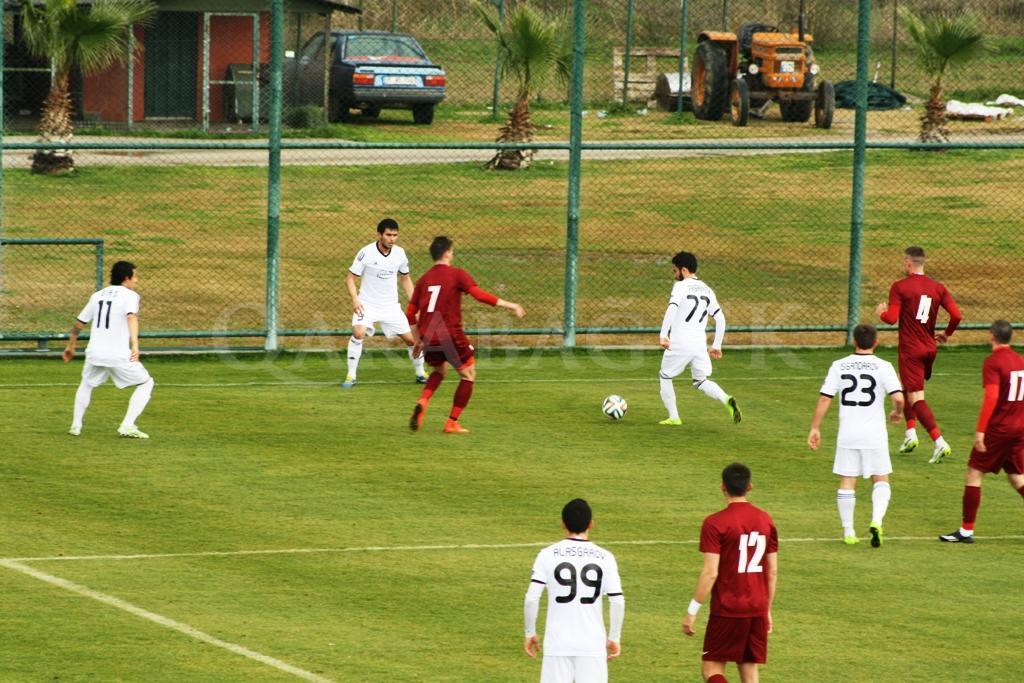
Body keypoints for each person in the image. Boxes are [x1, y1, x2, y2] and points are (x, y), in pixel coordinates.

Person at [406, 236, 524, 434]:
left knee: (439, 371)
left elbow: (410, 313)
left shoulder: (423, 280)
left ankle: (423, 400)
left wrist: (418, 340)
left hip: (429, 336)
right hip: (450, 335)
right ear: (447, 253)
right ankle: (451, 422)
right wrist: (510, 305)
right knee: (468, 375)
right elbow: (479, 295)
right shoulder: (456, 274)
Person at [808, 324, 904, 547]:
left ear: (854, 342)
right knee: (880, 478)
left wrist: (815, 427)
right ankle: (876, 521)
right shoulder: (884, 366)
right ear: (876, 342)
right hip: (874, 434)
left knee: (847, 480)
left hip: (848, 433)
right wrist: (897, 412)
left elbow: (825, 397)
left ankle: (849, 532)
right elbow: (899, 398)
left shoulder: (839, 365)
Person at [682, 463, 777, 683]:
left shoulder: (715, 523)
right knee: (749, 669)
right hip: (757, 607)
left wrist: (692, 611)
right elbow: (772, 571)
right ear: (750, 487)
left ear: (722, 486)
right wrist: (767, 609)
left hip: (728, 608)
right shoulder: (766, 520)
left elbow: (710, 572)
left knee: (711, 668)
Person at [939, 320, 1024, 544]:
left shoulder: (993, 362)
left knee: (974, 473)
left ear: (991, 335)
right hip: (1019, 429)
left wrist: (980, 431)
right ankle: (966, 530)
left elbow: (991, 397)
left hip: (999, 429)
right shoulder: (1020, 360)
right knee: (1017, 478)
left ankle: (966, 530)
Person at [875, 246, 962, 463]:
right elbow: (957, 316)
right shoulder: (938, 287)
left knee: (916, 399)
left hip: (911, 350)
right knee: (905, 385)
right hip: (929, 348)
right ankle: (910, 434)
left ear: (908, 264)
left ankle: (939, 442)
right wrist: (947, 334)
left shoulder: (900, 287)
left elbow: (891, 318)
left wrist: (881, 313)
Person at [524, 498, 625, 683]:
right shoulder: (606, 558)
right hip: (592, 644)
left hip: (557, 642)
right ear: (591, 523)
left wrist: (530, 632)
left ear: (563, 523)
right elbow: (617, 600)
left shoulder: (547, 554)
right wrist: (614, 637)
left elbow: (532, 598)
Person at [62, 261, 154, 439]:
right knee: (146, 383)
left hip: (94, 353)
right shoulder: (130, 296)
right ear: (126, 278)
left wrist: (70, 346)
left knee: (87, 383)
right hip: (118, 354)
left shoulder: (97, 295)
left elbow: (79, 323)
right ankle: (127, 425)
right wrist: (135, 345)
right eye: (135, 276)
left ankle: (76, 425)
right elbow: (131, 317)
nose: (136, 280)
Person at [658, 251, 740, 426]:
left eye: (675, 271)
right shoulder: (707, 289)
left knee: (665, 376)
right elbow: (720, 318)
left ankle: (674, 417)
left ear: (684, 270)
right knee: (701, 381)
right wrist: (716, 345)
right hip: (699, 345)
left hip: (680, 342)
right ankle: (726, 398)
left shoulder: (680, 287)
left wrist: (663, 335)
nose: (675, 275)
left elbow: (672, 308)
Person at [342, 218, 426, 388]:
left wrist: (415, 303)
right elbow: (350, 279)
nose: (392, 239)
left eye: (395, 235)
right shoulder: (366, 253)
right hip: (367, 304)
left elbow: (405, 278)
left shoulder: (400, 253)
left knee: (413, 340)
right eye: (388, 235)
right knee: (358, 333)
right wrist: (355, 299)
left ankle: (420, 373)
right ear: (379, 235)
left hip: (391, 306)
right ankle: (351, 375)